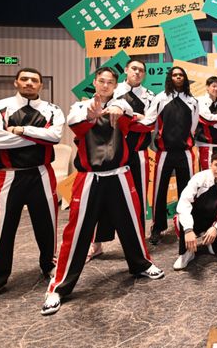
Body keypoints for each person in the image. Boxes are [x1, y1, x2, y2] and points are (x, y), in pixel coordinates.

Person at [41, 67, 164, 316]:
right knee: (76, 231)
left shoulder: (122, 106)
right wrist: (91, 114)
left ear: (116, 85)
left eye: (110, 82)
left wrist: (118, 107)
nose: (105, 85)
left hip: (120, 174)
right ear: (95, 83)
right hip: (90, 177)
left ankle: (141, 264)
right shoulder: (79, 107)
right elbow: (75, 123)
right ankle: (59, 286)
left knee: (132, 223)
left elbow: (135, 118)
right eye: (101, 81)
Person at [0, 68, 65, 307]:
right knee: (2, 229)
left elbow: (55, 136)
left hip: (41, 173)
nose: (29, 83)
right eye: (24, 79)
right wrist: (39, 136)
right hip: (9, 175)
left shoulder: (52, 109)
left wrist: (20, 131)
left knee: (47, 225)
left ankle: (49, 266)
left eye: (34, 80)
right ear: (16, 82)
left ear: (40, 85)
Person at [88, 59, 155, 262]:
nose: (137, 72)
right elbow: (99, 118)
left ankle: (138, 242)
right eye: (134, 68)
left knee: (138, 198)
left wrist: (125, 120)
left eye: (141, 70)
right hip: (111, 152)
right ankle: (96, 243)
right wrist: (135, 117)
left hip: (138, 153)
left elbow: (149, 124)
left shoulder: (150, 96)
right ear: (126, 70)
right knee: (103, 198)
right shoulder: (113, 90)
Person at [141, 66, 199, 245]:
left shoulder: (192, 101)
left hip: (185, 153)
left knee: (187, 192)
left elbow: (193, 126)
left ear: (185, 78)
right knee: (159, 192)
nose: (178, 77)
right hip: (164, 153)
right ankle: (157, 227)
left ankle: (186, 226)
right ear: (170, 78)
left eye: (181, 75)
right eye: (175, 75)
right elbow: (150, 120)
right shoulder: (161, 98)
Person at [173, 150, 217, 270]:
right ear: (211, 164)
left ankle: (211, 244)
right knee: (180, 218)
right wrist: (188, 229)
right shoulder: (199, 178)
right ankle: (186, 253)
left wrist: (215, 228)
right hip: (195, 219)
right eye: (216, 165)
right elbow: (184, 203)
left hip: (212, 221)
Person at [195, 76, 217, 171]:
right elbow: (206, 119)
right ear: (207, 87)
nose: (216, 89)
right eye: (214, 86)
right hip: (205, 145)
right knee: (206, 173)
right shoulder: (200, 101)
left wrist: (214, 124)